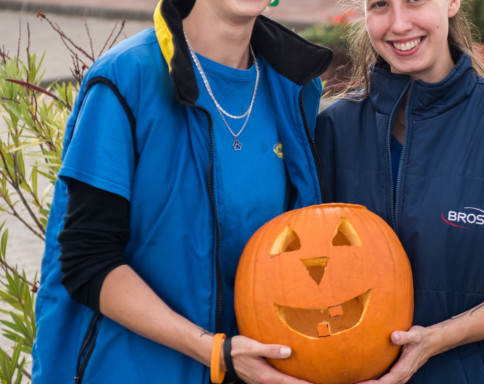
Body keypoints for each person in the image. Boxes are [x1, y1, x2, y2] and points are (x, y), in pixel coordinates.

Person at [31, 0, 332, 383]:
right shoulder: (126, 78)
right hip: (129, 371)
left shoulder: (295, 88)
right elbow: (87, 261)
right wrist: (215, 350)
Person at [315, 0, 484, 383]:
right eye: (380, 6)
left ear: (452, 3)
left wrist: (438, 338)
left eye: (414, 2)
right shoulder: (333, 131)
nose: (399, 23)